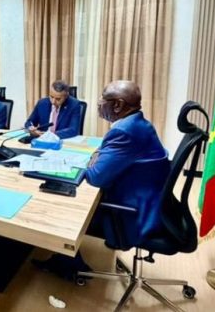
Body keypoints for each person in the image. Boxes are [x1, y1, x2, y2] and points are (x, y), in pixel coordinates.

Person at [33, 80, 170, 279]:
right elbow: (101, 154)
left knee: (62, 198)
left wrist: (93, 161)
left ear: (118, 105)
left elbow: (95, 176)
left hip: (131, 212)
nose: (98, 103)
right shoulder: (137, 123)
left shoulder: (124, 131)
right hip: (148, 200)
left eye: (103, 99)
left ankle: (67, 264)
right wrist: (96, 158)